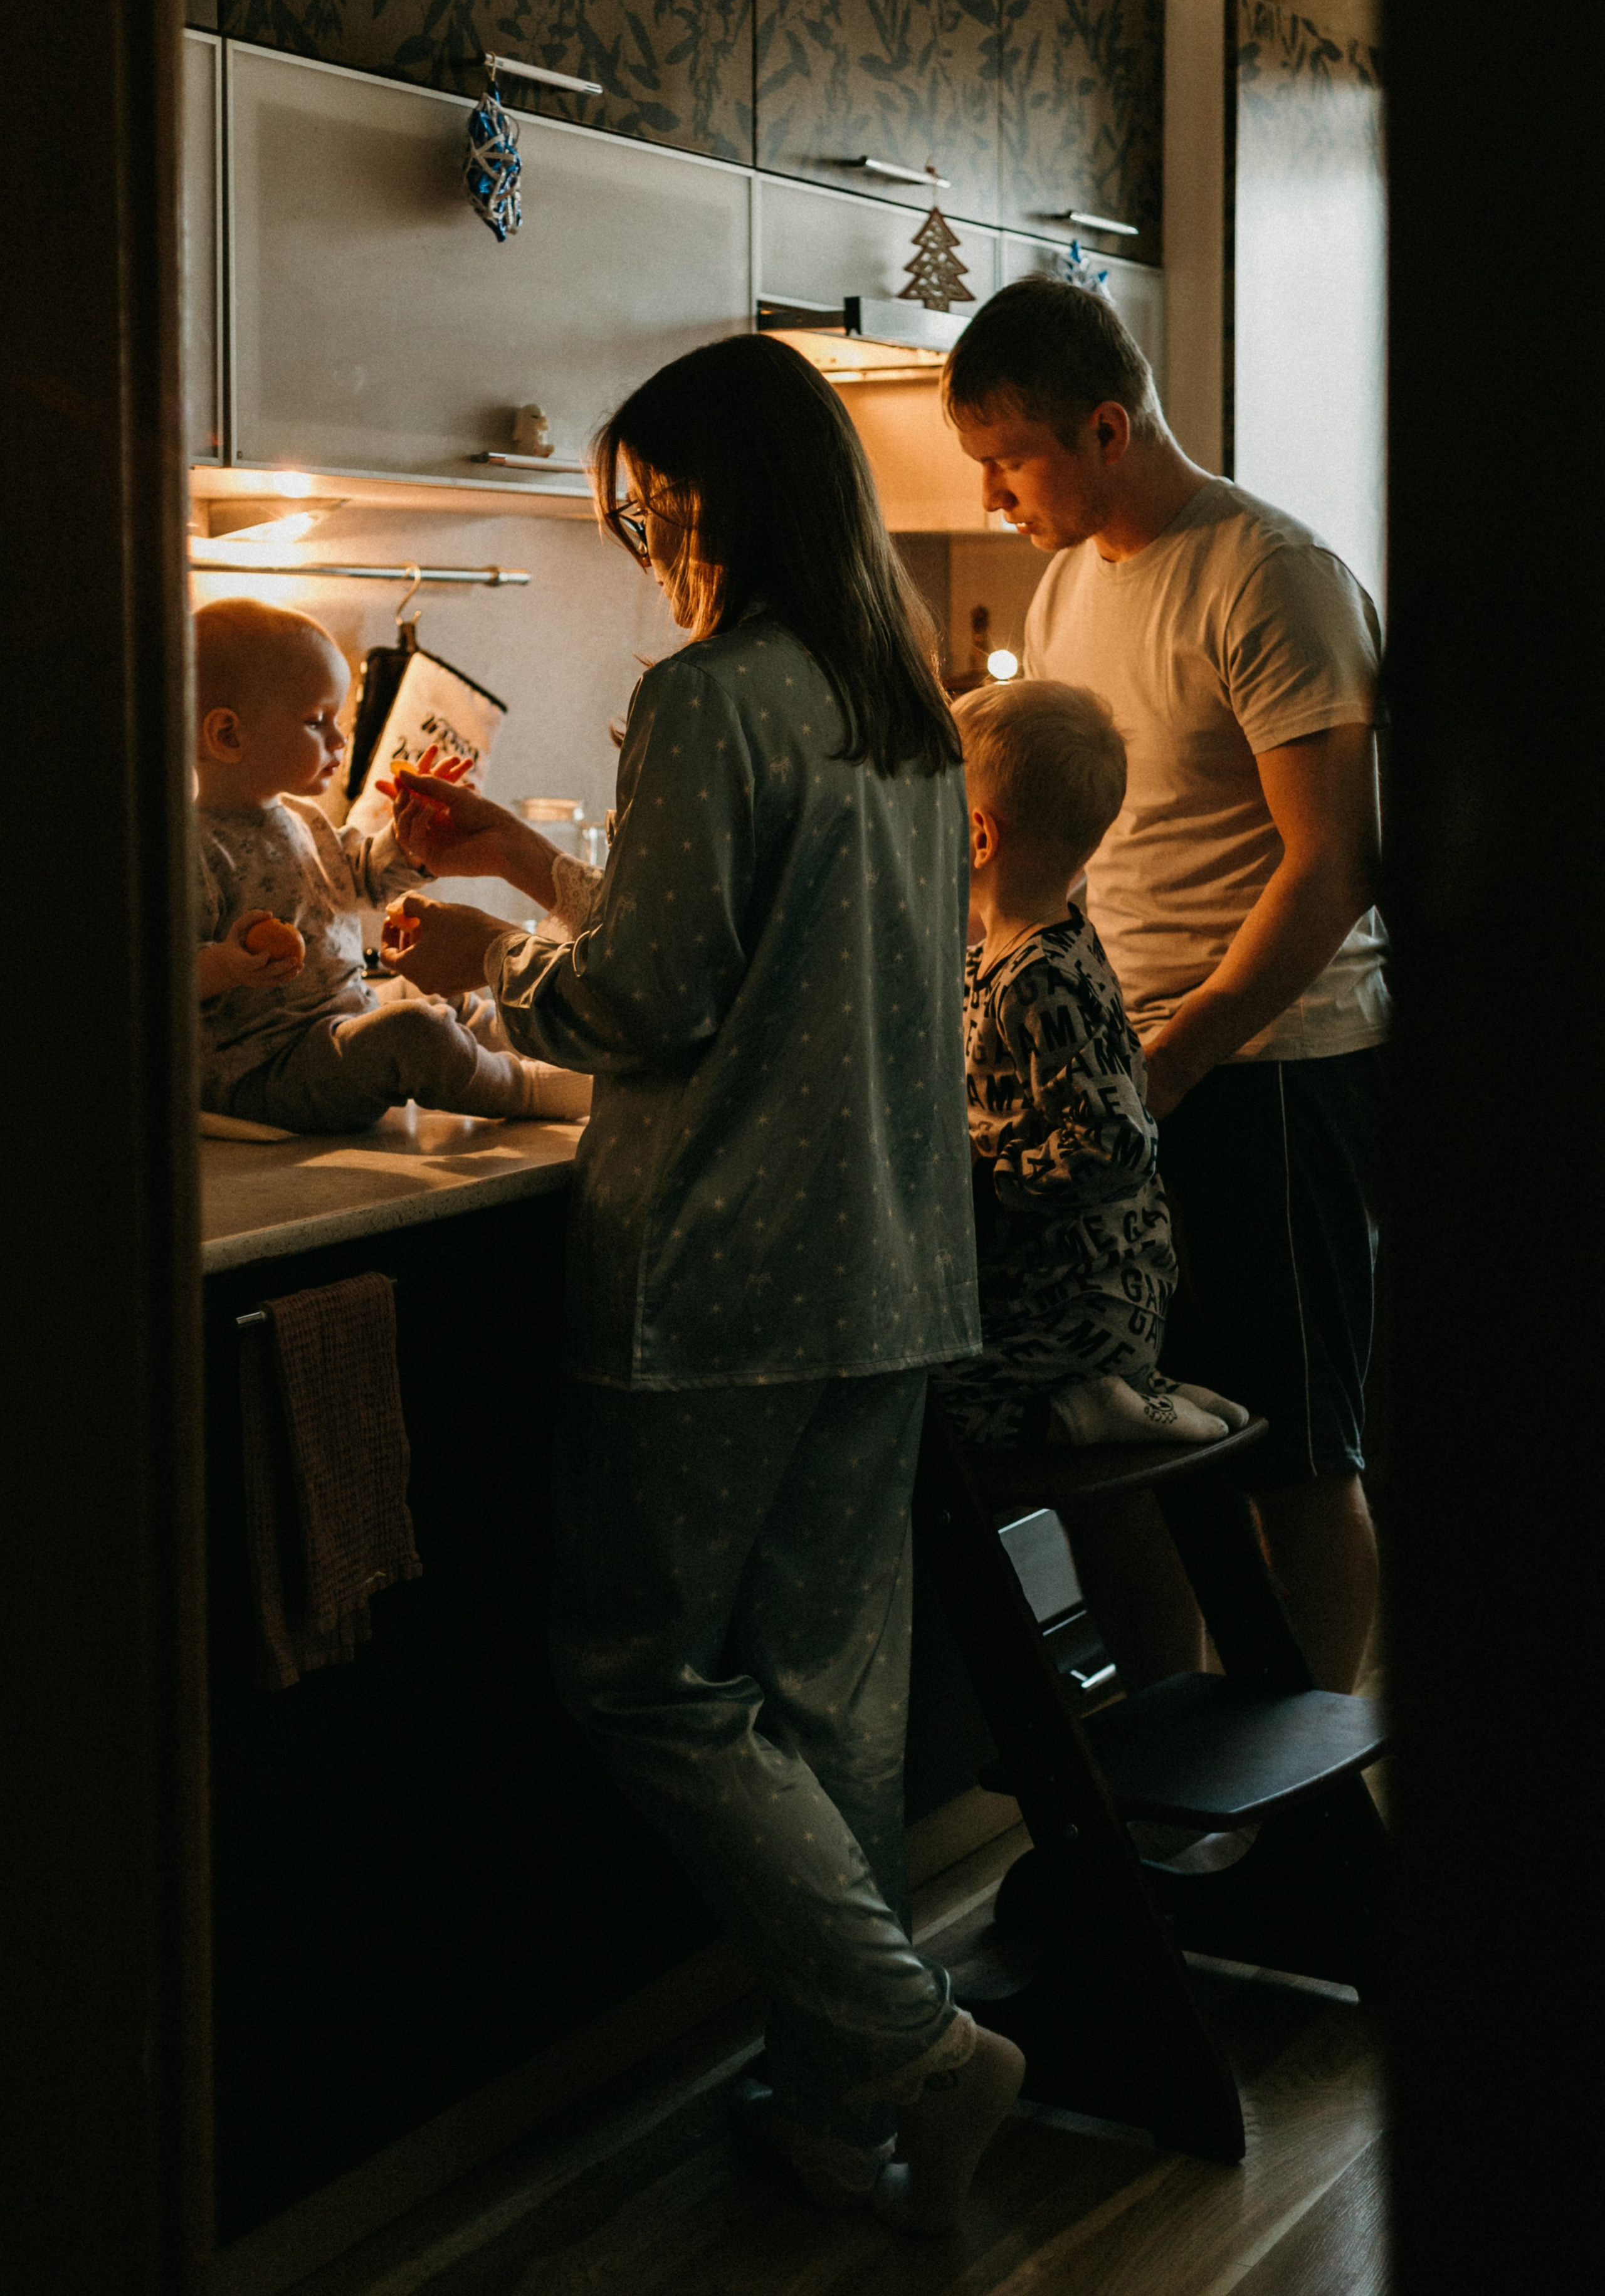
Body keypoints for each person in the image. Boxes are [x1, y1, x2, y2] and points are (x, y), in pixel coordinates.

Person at [376, 334, 1025, 2231]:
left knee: (643, 1678)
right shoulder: (889, 701)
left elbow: (654, 997)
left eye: (644, 504)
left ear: (698, 502)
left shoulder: (705, 694)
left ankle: (907, 2038)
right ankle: (845, 2111)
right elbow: (757, 948)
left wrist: (491, 965)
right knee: (832, 1690)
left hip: (719, 1273)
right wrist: (523, 864)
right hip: (887, 1263)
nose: (640, 536)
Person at [945, 277, 1386, 1695]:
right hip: (1119, 1074)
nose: (995, 494)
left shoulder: (1270, 573)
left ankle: (1306, 1815)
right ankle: (1160, 1771)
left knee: (1293, 1448)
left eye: (1008, 460)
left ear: (1103, 424)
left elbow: (1330, 865)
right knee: (1122, 1435)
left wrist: (1180, 1052)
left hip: (1266, 1067)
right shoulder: (1073, 574)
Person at [937, 677, 1248, 1686]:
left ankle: (1098, 1402)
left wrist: (983, 1176)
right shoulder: (1028, 952)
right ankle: (1122, 1396)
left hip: (1070, 1298)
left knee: (917, 1411)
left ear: (977, 836)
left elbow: (1112, 1144)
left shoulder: (1036, 975)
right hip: (1087, 1290)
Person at [192, 598, 589, 1132]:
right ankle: (526, 1089)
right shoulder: (190, 848)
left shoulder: (303, 818)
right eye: (316, 721)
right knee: (413, 1032)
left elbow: (362, 877)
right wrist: (225, 963)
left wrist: (406, 845)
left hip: (340, 1018)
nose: (340, 739)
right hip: (268, 1071)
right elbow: (158, 979)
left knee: (442, 998)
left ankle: (555, 1054)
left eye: (338, 719)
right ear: (229, 736)